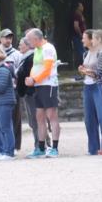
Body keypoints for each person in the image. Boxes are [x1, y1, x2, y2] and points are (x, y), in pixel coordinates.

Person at [23, 28, 61, 158]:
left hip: (48, 85)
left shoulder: (48, 48)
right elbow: (36, 67)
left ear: (36, 39)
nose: (27, 42)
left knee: (52, 115)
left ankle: (54, 148)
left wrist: (34, 79)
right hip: (38, 85)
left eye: (29, 40)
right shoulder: (37, 49)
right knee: (39, 116)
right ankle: (40, 148)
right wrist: (31, 78)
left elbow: (47, 68)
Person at [0, 29, 24, 152]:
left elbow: (20, 71)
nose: (8, 40)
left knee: (15, 117)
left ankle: (15, 145)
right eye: (6, 37)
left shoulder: (17, 54)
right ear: (0, 39)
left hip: (13, 89)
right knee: (1, 119)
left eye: (10, 37)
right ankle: (2, 144)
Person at [72, 2, 87, 77]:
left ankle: (84, 68)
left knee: (83, 52)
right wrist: (81, 35)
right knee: (82, 52)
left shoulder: (80, 14)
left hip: (82, 37)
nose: (83, 7)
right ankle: (83, 69)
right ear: (78, 7)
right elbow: (76, 26)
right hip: (78, 37)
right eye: (81, 6)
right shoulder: (77, 15)